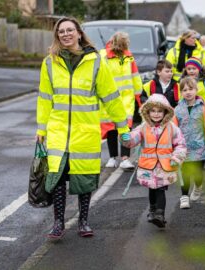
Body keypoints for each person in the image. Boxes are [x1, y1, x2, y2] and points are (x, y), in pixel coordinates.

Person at [36, 17, 130, 239]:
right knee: (57, 177)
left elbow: (111, 97)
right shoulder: (49, 62)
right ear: (57, 36)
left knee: (83, 178)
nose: (65, 34)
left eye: (70, 30)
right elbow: (44, 99)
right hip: (58, 131)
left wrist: (123, 127)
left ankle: (83, 221)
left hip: (85, 132)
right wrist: (42, 129)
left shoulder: (96, 61)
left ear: (79, 33)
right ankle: (58, 223)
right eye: (61, 31)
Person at [120, 94, 187, 227]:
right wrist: (126, 138)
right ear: (147, 112)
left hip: (165, 165)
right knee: (152, 188)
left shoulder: (172, 128)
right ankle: (152, 208)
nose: (156, 114)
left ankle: (160, 215)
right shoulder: (143, 127)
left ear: (165, 112)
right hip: (148, 166)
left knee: (161, 189)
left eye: (160, 111)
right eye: (153, 111)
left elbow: (181, 144)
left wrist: (176, 157)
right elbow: (133, 140)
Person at [174, 77, 205, 209]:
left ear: (196, 90)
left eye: (190, 89)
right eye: (184, 90)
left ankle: (198, 186)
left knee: (198, 172)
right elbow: (173, 128)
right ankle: (184, 197)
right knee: (185, 172)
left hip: (201, 147)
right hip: (184, 148)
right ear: (181, 92)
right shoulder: (177, 109)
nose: (188, 92)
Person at [99, 31, 143, 170]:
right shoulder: (104, 56)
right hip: (110, 98)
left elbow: (135, 76)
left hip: (125, 99)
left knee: (124, 129)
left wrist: (138, 95)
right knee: (111, 128)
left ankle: (123, 158)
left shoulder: (128, 57)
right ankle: (114, 157)